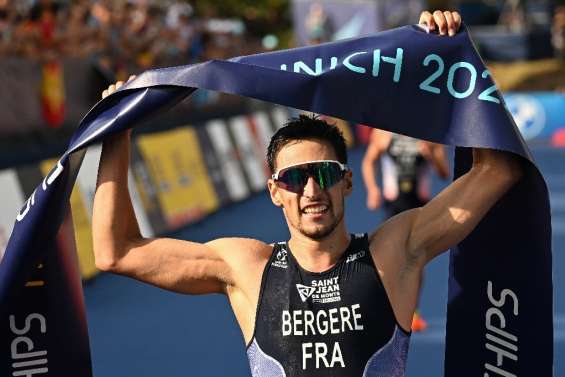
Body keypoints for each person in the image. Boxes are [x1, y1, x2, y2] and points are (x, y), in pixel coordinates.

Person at [93, 10, 523, 377]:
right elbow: (115, 251)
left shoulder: (394, 250)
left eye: (324, 173)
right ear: (275, 191)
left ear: (347, 181)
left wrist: (456, 61)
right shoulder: (247, 267)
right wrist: (118, 135)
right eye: (295, 178)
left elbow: (498, 169)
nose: (312, 190)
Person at [361, 128, 450, 332]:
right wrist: (373, 189)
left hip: (420, 207)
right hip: (394, 206)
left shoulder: (430, 135)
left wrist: (431, 155)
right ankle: (387, 307)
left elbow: (444, 173)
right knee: (389, 257)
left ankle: (413, 311)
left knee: (415, 258)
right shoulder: (383, 134)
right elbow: (368, 162)